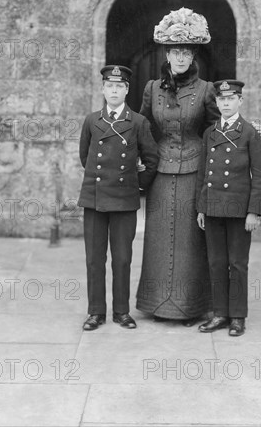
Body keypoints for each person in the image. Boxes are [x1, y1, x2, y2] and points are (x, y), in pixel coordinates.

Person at [136, 8, 220, 325]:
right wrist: (139, 159)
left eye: (186, 51)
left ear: (193, 54)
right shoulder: (152, 88)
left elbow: (215, 131)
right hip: (161, 174)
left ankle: (191, 306)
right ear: (167, 54)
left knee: (188, 242)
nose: (180, 57)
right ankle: (155, 303)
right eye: (175, 51)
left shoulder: (206, 89)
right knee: (158, 240)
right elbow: (143, 128)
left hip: (193, 171)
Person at [78, 65, 158, 331]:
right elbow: (84, 156)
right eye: (109, 86)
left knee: (122, 258)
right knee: (94, 258)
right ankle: (95, 312)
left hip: (124, 199)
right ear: (103, 89)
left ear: (126, 90)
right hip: (95, 197)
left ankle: (121, 311)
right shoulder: (92, 121)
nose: (113, 90)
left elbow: (151, 159)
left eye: (119, 86)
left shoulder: (138, 122)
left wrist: (136, 186)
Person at [196, 79, 261, 337]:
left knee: (237, 263)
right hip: (214, 208)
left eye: (231, 99)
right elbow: (203, 173)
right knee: (216, 262)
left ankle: (237, 316)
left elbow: (260, 175)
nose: (226, 103)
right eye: (222, 99)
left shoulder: (249, 133)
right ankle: (220, 314)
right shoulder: (210, 133)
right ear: (216, 102)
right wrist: (201, 208)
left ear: (240, 101)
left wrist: (254, 212)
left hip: (239, 211)